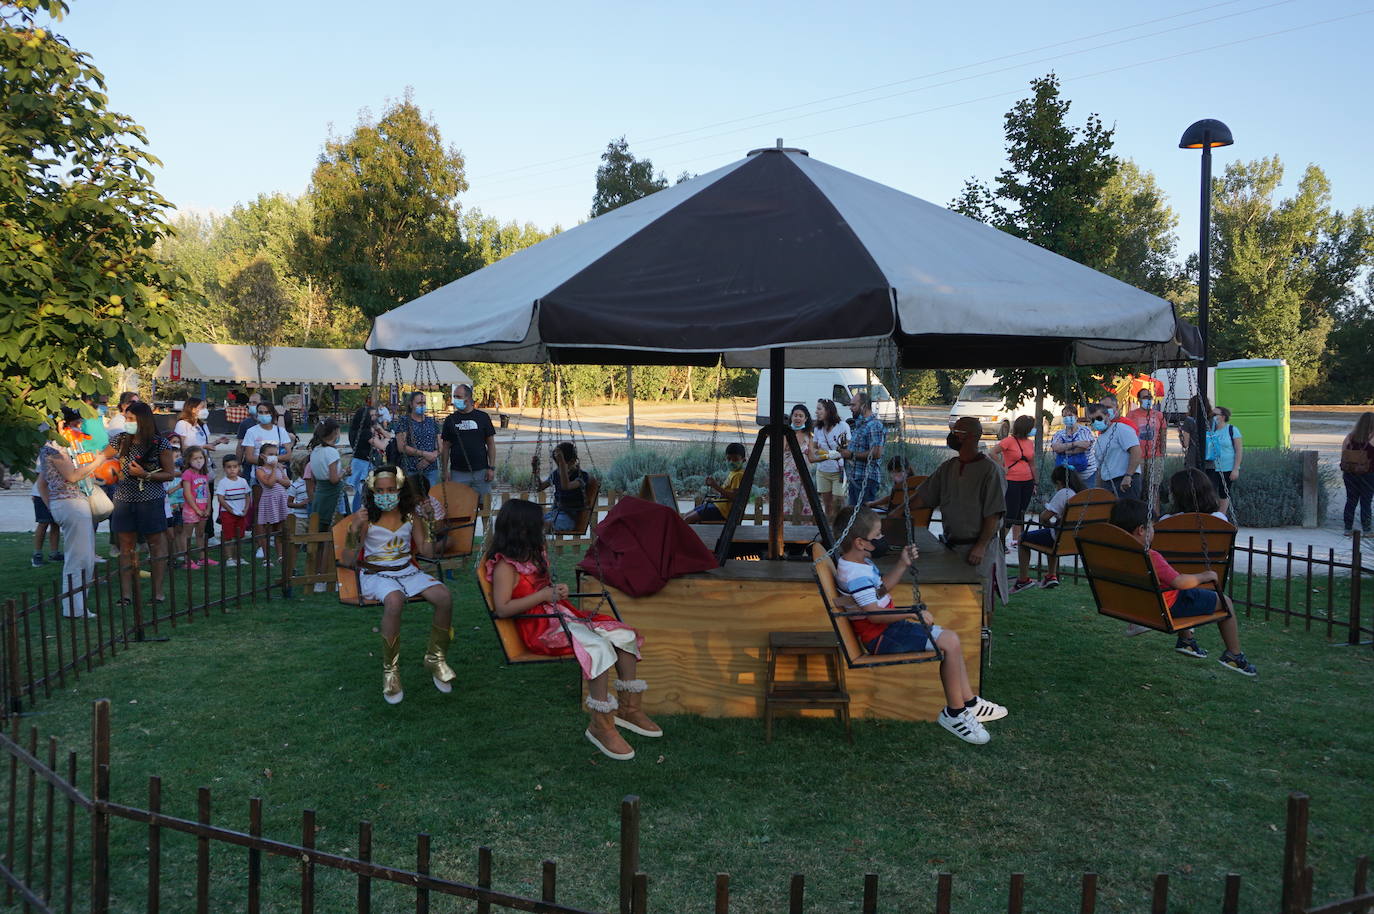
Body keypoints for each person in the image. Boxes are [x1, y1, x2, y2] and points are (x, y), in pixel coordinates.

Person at [484, 498, 657, 760]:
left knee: (625, 635)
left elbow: (544, 589)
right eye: (538, 524)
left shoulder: (534, 554)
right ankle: (600, 725)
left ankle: (628, 709)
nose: (543, 527)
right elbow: (503, 609)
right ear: (521, 528)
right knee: (597, 646)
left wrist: (557, 591)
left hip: (560, 616)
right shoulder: (505, 567)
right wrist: (544, 595)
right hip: (539, 629)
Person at [833, 506, 1007, 744]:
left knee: (951, 640)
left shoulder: (858, 564)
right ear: (860, 542)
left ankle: (970, 703)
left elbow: (880, 590)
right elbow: (874, 615)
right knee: (950, 642)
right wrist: (912, 613)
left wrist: (902, 564)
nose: (882, 539)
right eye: (878, 535)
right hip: (882, 636)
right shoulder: (856, 575)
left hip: (889, 630)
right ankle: (955, 713)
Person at [339, 465, 455, 705]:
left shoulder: (411, 516)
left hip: (406, 570)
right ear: (372, 492)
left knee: (444, 596)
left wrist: (430, 523)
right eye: (380, 490)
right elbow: (348, 561)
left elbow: (426, 551)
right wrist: (354, 528)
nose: (386, 495)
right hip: (376, 574)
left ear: (400, 491)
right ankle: (390, 670)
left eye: (391, 489)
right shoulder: (367, 519)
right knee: (394, 600)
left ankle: (436, 658)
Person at [1109, 498, 1256, 676]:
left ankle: (1186, 641)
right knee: (1225, 602)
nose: (1154, 531)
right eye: (1152, 527)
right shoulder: (1150, 557)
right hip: (1166, 606)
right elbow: (1179, 582)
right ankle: (1234, 655)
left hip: (1138, 604)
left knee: (1185, 592)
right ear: (1141, 530)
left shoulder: (1115, 553)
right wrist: (1204, 576)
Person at [908, 417, 1007, 619]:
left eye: (957, 432)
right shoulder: (948, 467)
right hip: (953, 546)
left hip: (978, 550)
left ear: (971, 436)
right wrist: (896, 511)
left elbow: (994, 513)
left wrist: (980, 546)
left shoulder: (990, 470)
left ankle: (983, 637)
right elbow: (923, 497)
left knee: (981, 603)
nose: (952, 435)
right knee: (955, 603)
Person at [107, 401, 176, 605]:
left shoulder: (160, 443)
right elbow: (101, 457)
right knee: (125, 547)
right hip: (123, 499)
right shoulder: (120, 439)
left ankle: (157, 593)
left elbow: (170, 474)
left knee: (155, 545)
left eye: (130, 419)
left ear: (142, 420)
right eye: (126, 418)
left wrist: (145, 475)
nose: (126, 422)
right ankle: (126, 595)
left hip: (150, 499)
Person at [40, 408, 100, 617]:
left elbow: (42, 484)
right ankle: (74, 608)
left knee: (86, 559)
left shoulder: (65, 447)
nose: (79, 428)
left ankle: (79, 606)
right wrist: (99, 460)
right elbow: (72, 476)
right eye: (76, 424)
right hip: (71, 504)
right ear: (61, 425)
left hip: (72, 503)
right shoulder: (55, 447)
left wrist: (53, 506)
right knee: (78, 559)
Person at [1010, 466, 1084, 593]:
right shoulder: (1080, 493)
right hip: (1075, 538)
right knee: (1050, 536)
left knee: (1022, 538)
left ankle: (1023, 580)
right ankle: (1051, 576)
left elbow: (1044, 517)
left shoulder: (1064, 493)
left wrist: (1048, 524)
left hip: (1059, 537)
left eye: (1056, 485)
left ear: (1059, 482)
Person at [440, 384, 496, 504]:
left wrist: (491, 467)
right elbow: (445, 447)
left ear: (469, 398)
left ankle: (484, 518)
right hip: (458, 472)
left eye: (459, 397)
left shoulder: (483, 417)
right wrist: (444, 470)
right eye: (454, 397)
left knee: (484, 505)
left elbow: (491, 444)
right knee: (459, 507)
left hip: (481, 471)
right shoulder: (450, 420)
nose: (456, 400)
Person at [993, 415, 1036, 548]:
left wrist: (1035, 482)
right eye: (1031, 427)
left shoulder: (1030, 443)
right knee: (1011, 512)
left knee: (1021, 512)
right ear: (1025, 428)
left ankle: (1017, 540)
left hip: (1028, 481)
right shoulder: (1009, 441)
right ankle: (1000, 542)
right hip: (1012, 481)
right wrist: (1002, 466)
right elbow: (992, 452)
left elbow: (1032, 464)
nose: (1033, 429)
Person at [839, 392, 884, 510]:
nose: (850, 408)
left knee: (863, 516)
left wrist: (851, 454)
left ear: (863, 406)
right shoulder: (860, 425)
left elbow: (877, 453)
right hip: (855, 477)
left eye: (853, 405)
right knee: (854, 515)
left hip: (866, 478)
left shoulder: (874, 425)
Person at [683, 442, 746, 523]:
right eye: (728, 459)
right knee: (686, 516)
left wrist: (715, 486)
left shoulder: (738, 475)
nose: (731, 462)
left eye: (735, 459)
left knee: (688, 519)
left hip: (724, 512)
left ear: (743, 460)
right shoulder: (733, 473)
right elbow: (726, 493)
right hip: (718, 506)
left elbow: (735, 497)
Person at [535, 442, 590, 533]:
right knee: (532, 523)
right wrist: (536, 471)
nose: (559, 467)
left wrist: (562, 463)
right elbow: (540, 487)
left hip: (569, 517)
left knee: (544, 525)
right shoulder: (556, 474)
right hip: (555, 513)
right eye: (558, 464)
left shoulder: (582, 476)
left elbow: (566, 486)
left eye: (562, 464)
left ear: (573, 461)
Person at [1087, 403, 1141, 497]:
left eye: (1099, 418)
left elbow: (1136, 451)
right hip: (1108, 484)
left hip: (1124, 481)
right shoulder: (1099, 439)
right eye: (1093, 420)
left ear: (1107, 416)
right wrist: (1098, 490)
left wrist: (1128, 475)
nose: (1096, 422)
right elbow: (1100, 467)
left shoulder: (1121, 429)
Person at [810, 398, 849, 523]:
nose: (816, 412)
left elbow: (848, 447)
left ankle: (840, 527)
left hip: (839, 471)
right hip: (823, 471)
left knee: (839, 502)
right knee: (827, 505)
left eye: (819, 409)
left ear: (828, 410)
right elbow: (815, 447)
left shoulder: (842, 426)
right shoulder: (818, 429)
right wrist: (818, 453)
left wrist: (832, 454)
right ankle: (829, 528)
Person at [254, 442, 290, 566]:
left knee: (279, 529)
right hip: (269, 501)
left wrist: (278, 477)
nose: (274, 457)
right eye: (270, 454)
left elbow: (287, 483)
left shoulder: (280, 468)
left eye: (275, 454)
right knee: (267, 530)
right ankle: (266, 558)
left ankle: (280, 556)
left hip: (281, 499)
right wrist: (274, 468)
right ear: (262, 456)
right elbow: (269, 483)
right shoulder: (260, 470)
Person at [180, 446, 216, 568]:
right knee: (187, 535)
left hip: (203, 509)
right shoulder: (187, 474)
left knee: (200, 533)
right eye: (195, 458)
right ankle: (187, 559)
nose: (199, 461)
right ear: (188, 460)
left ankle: (202, 558)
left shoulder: (204, 474)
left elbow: (208, 492)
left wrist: (208, 508)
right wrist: (196, 509)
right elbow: (187, 493)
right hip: (191, 509)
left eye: (201, 458)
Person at [395, 391, 441, 487]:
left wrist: (430, 458)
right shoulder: (404, 421)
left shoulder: (432, 422)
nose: (422, 405)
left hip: (431, 469)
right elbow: (401, 447)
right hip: (411, 468)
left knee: (431, 494)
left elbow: (440, 445)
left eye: (424, 403)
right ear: (411, 404)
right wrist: (424, 454)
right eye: (419, 403)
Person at [1339, 411, 1374, 536]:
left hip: (1350, 473)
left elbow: (1344, 453)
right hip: (1368, 474)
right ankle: (1367, 529)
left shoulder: (1350, 437)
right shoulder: (1372, 438)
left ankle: (1348, 528)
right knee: (1366, 501)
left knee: (1351, 500)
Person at [1204, 405, 1242, 515]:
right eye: (1211, 415)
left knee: (1224, 493)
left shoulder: (1232, 430)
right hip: (1211, 467)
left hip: (1227, 467)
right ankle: (1210, 514)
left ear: (1223, 417)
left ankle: (1221, 516)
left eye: (1215, 415)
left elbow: (1238, 450)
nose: (1212, 417)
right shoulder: (1209, 430)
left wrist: (1236, 469)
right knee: (1209, 493)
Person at [780, 404, 815, 519]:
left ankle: (806, 526)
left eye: (801, 416)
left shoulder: (809, 436)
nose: (798, 418)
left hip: (805, 473)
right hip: (789, 474)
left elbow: (812, 457)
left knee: (807, 500)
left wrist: (830, 456)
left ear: (806, 418)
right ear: (791, 417)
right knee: (788, 500)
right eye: (795, 415)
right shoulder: (786, 434)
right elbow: (780, 452)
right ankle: (786, 526)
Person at [215, 456, 252, 567]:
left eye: (235, 467)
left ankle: (238, 557)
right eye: (229, 467)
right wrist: (230, 509)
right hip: (228, 514)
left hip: (241, 513)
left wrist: (246, 508)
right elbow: (220, 498)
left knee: (239, 536)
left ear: (239, 467)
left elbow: (247, 495)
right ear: (224, 468)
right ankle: (229, 558)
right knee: (228, 536)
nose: (232, 469)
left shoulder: (243, 481)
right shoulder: (223, 482)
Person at [238, 398, 292, 472]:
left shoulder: (281, 431)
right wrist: (271, 462)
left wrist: (269, 460)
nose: (263, 415)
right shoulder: (251, 432)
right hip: (258, 473)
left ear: (272, 414)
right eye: (260, 412)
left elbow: (288, 455)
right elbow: (249, 457)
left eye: (267, 412)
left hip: (278, 473)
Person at [1160, 468, 1228, 521]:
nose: (1169, 493)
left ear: (1178, 495)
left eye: (1171, 490)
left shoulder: (1166, 521)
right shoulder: (1220, 519)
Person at [346, 400, 379, 512]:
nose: (374, 418)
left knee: (359, 492)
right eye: (372, 416)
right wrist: (382, 433)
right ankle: (362, 513)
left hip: (357, 461)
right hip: (364, 463)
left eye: (375, 415)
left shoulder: (354, 430)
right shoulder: (365, 432)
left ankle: (356, 512)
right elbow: (382, 445)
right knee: (364, 492)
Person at [1050, 404, 1095, 481]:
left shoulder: (1084, 430)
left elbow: (1085, 446)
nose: (1067, 418)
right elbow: (1056, 448)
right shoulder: (1059, 434)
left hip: (1087, 475)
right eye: (1064, 416)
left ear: (1076, 417)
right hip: (1068, 478)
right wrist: (1075, 444)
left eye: (1070, 415)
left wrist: (1065, 450)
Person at [30, 459, 60, 567]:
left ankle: (54, 553)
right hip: (41, 494)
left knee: (55, 524)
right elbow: (39, 474)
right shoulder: (44, 455)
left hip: (57, 494)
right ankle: (37, 554)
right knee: (43, 523)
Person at [1127, 388, 1167, 460]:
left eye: (1150, 397)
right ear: (1139, 399)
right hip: (1137, 457)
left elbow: (1163, 436)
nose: (1148, 400)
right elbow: (1126, 436)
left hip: (1155, 456)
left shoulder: (1159, 415)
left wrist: (1163, 453)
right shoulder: (1131, 415)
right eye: (1145, 397)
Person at [286, 453, 312, 537]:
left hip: (312, 517)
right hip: (299, 518)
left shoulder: (314, 482)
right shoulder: (295, 485)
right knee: (298, 540)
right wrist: (300, 504)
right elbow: (289, 503)